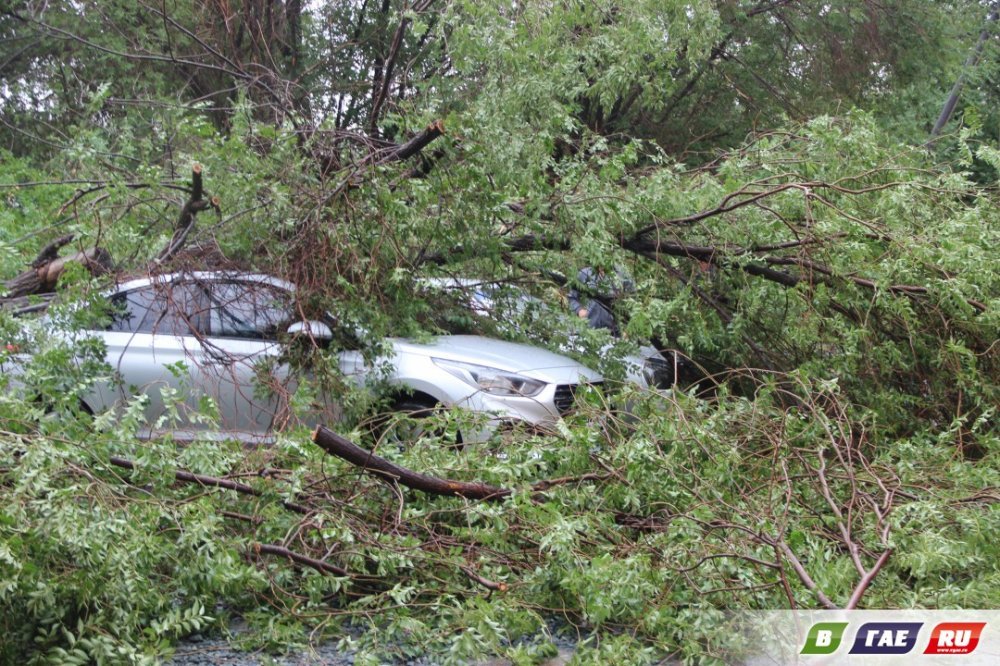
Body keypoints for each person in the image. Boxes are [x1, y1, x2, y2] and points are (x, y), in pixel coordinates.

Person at [567, 266, 634, 334]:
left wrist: (628, 330)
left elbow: (633, 302)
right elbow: (571, 297)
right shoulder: (584, 273)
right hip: (588, 331)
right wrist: (579, 310)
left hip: (614, 333)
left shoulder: (623, 275)